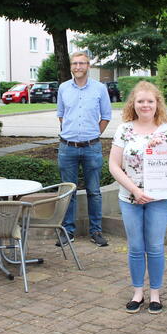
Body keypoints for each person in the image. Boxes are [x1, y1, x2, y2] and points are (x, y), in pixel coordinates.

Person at [108, 81, 167, 315]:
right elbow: (114, 165)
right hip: (130, 198)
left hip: (159, 199)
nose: (145, 105)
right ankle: (138, 292)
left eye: (150, 101)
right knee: (136, 247)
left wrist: (163, 148)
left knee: (156, 247)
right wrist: (135, 191)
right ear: (134, 104)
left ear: (157, 103)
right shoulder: (124, 129)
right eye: (140, 101)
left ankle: (156, 294)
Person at [57, 51, 113, 247]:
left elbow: (106, 116)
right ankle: (68, 231)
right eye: (74, 63)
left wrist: (93, 134)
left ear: (88, 66)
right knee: (67, 192)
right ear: (71, 66)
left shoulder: (99, 89)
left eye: (82, 63)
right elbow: (61, 115)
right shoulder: (63, 88)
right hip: (67, 148)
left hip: (92, 147)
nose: (78, 67)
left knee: (94, 191)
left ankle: (96, 231)